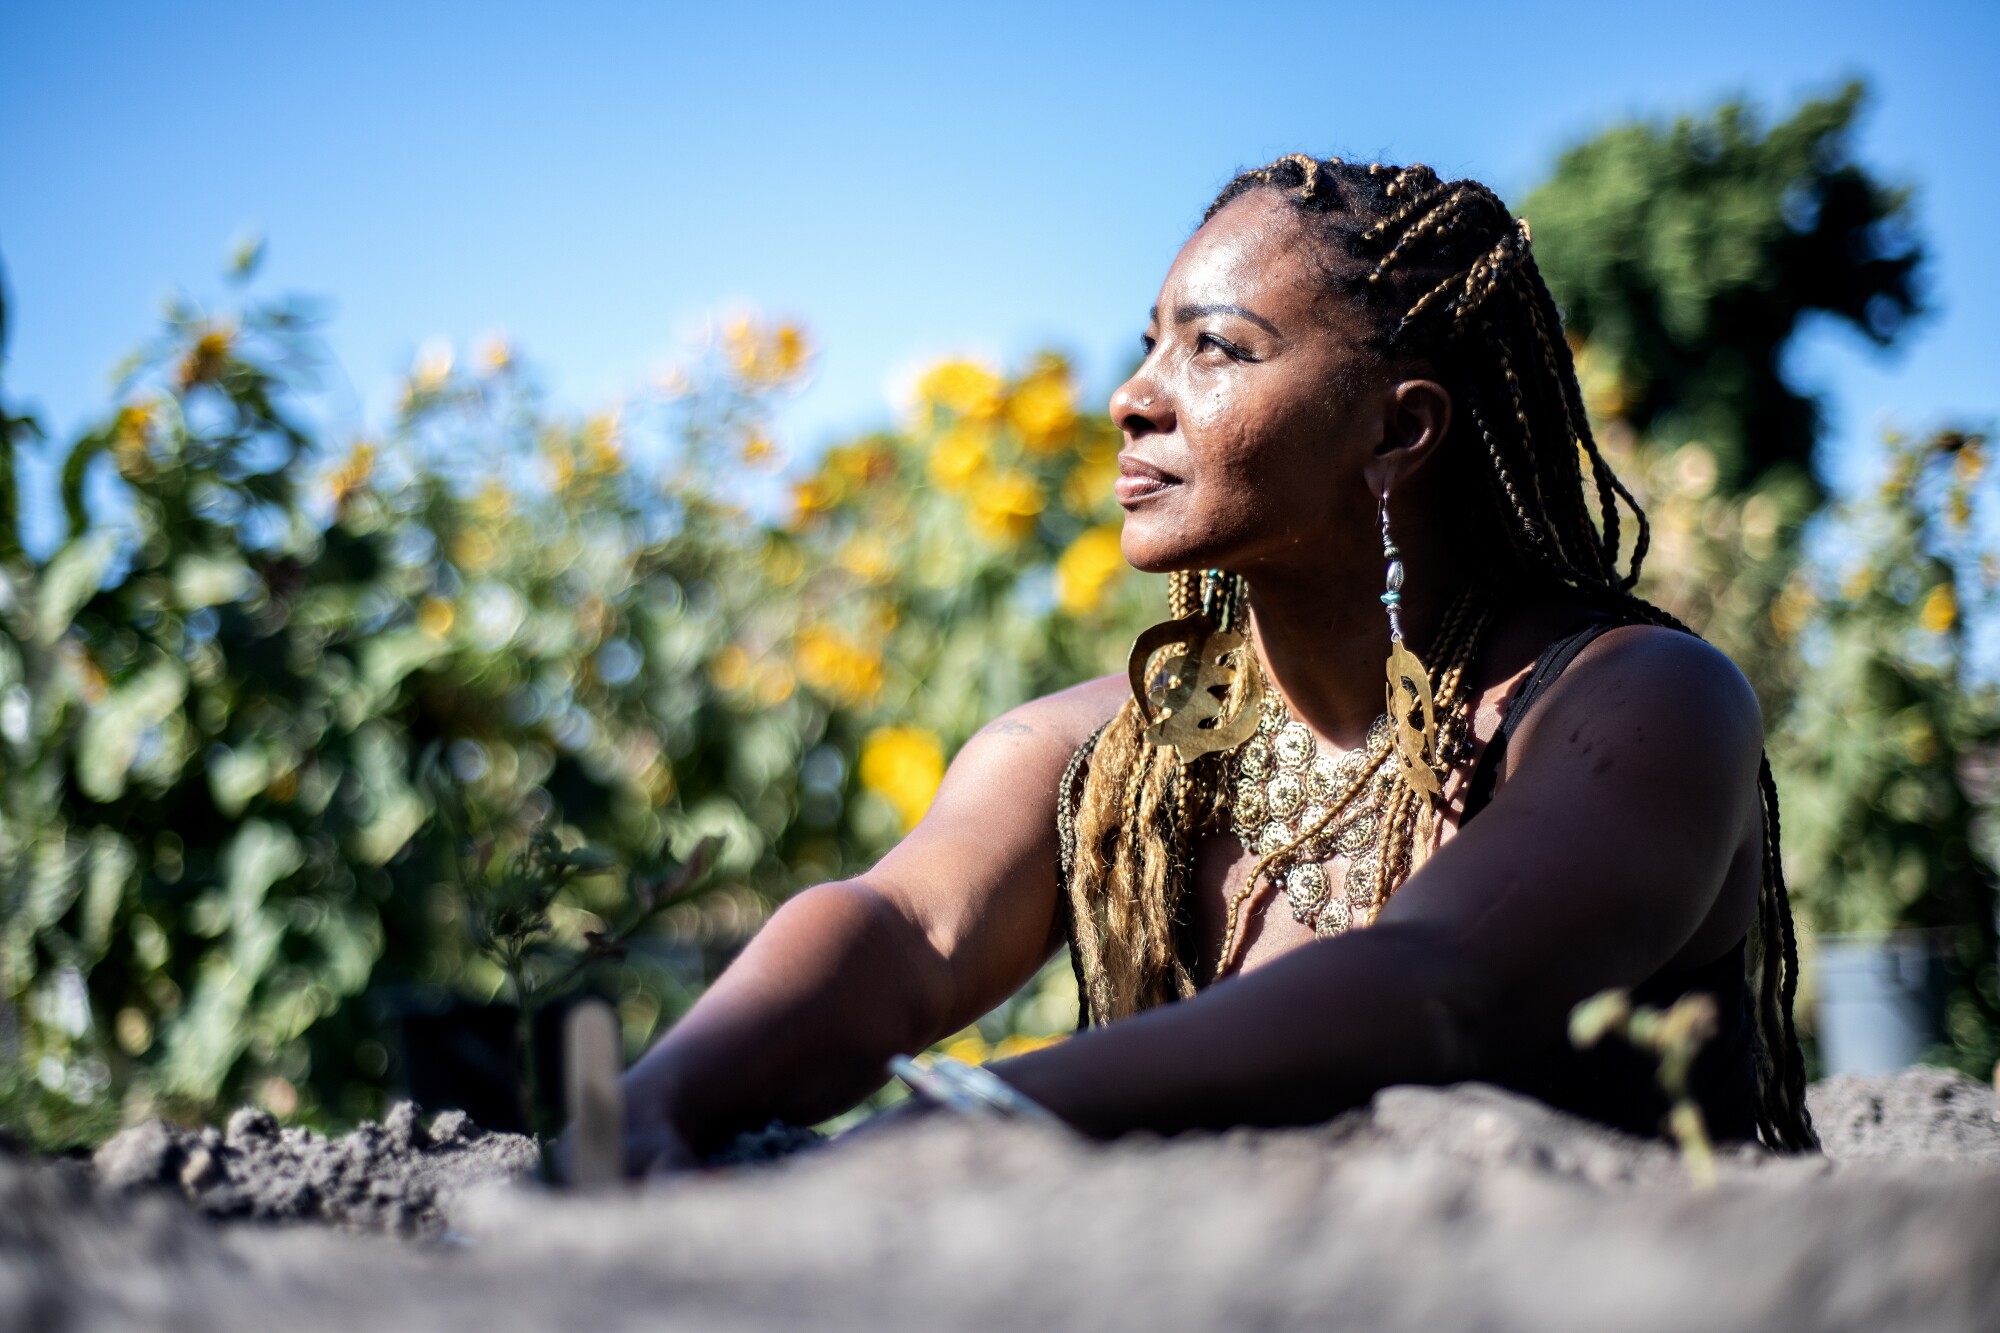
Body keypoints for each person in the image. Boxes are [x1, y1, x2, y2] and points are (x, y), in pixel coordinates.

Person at [618, 154, 1819, 1171]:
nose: (1132, 399)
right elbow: (906, 936)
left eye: (1216, 350)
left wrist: (977, 1120)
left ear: (1399, 429)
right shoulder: (1105, 757)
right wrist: (652, 1106)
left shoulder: (1629, 705)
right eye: (1149, 345)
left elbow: (1439, 986)